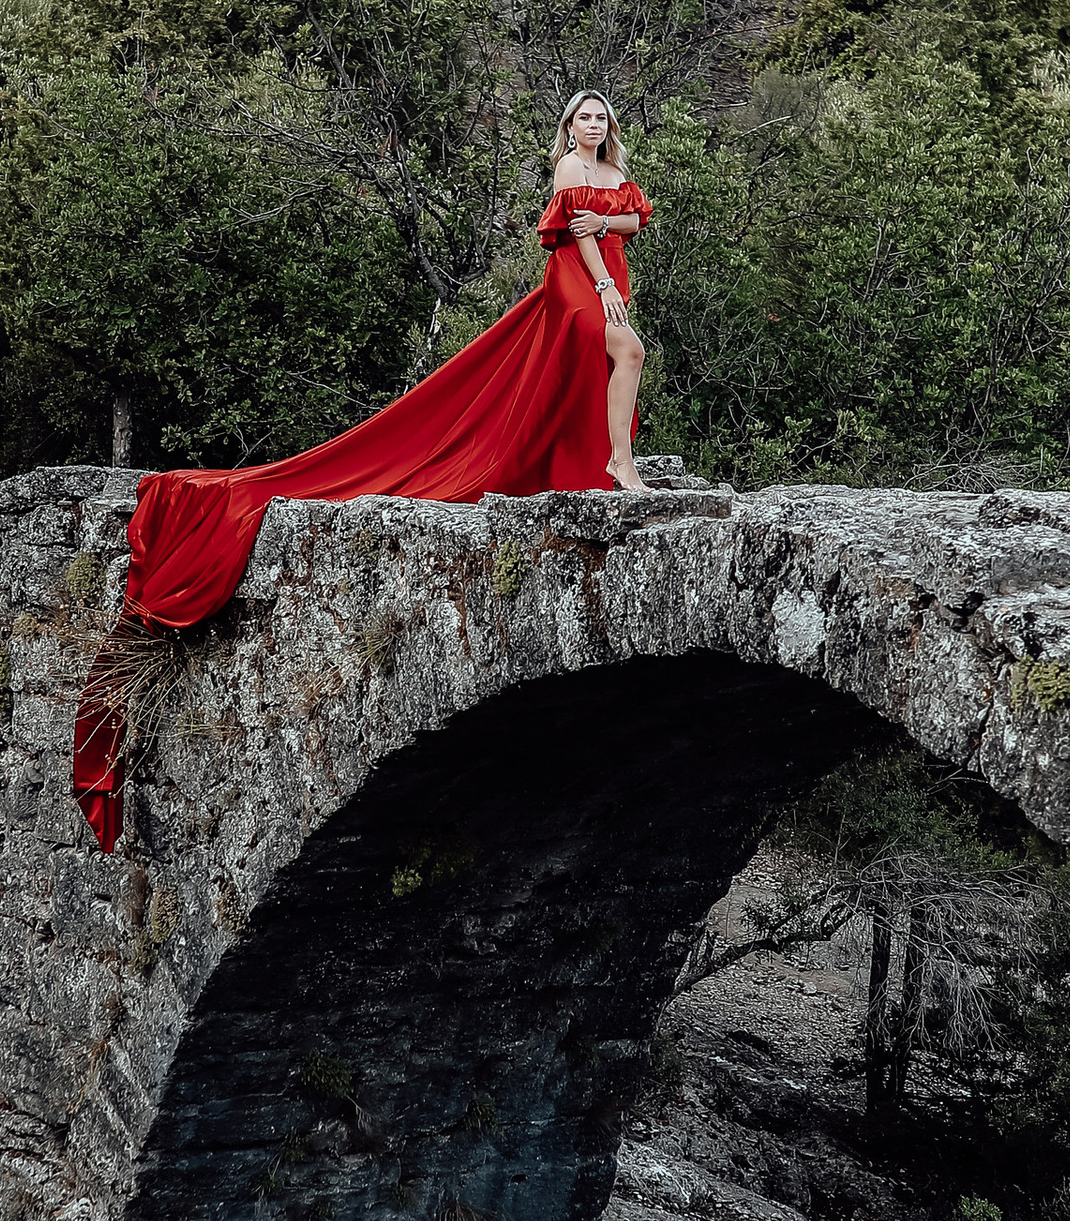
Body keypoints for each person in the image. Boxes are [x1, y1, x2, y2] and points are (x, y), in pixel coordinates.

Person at [72, 91, 654, 846]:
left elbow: (632, 220)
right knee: (623, 348)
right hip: (582, 283)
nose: (593, 127)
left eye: (602, 119)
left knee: (618, 355)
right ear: (569, 126)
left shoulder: (611, 173)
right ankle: (617, 459)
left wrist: (609, 228)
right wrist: (605, 276)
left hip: (609, 267)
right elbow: (575, 237)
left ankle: (613, 455)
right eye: (584, 117)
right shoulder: (568, 170)